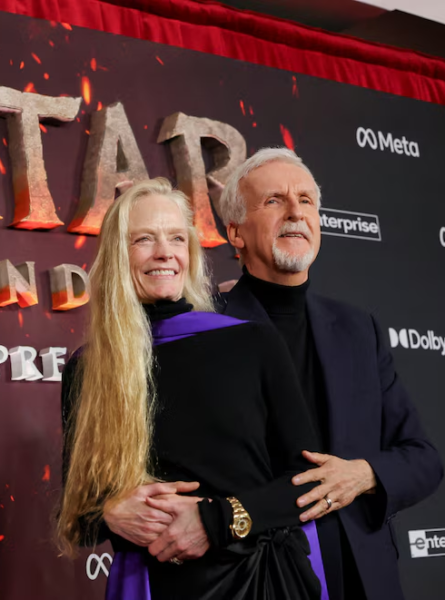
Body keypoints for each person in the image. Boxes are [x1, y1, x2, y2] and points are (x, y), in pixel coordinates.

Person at [57, 178, 327, 599]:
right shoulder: (87, 367)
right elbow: (77, 516)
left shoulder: (252, 341)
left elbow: (312, 481)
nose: (165, 252)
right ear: (116, 255)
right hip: (152, 586)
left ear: (190, 253)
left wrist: (217, 521)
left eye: (177, 238)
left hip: (261, 582)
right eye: (144, 239)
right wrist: (108, 514)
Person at [215, 147, 443, 600]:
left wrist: (363, 474)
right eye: (275, 200)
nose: (296, 212)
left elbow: (422, 458)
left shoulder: (359, 329)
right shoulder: (205, 327)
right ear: (235, 232)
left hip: (364, 578)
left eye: (306, 200)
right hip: (255, 576)